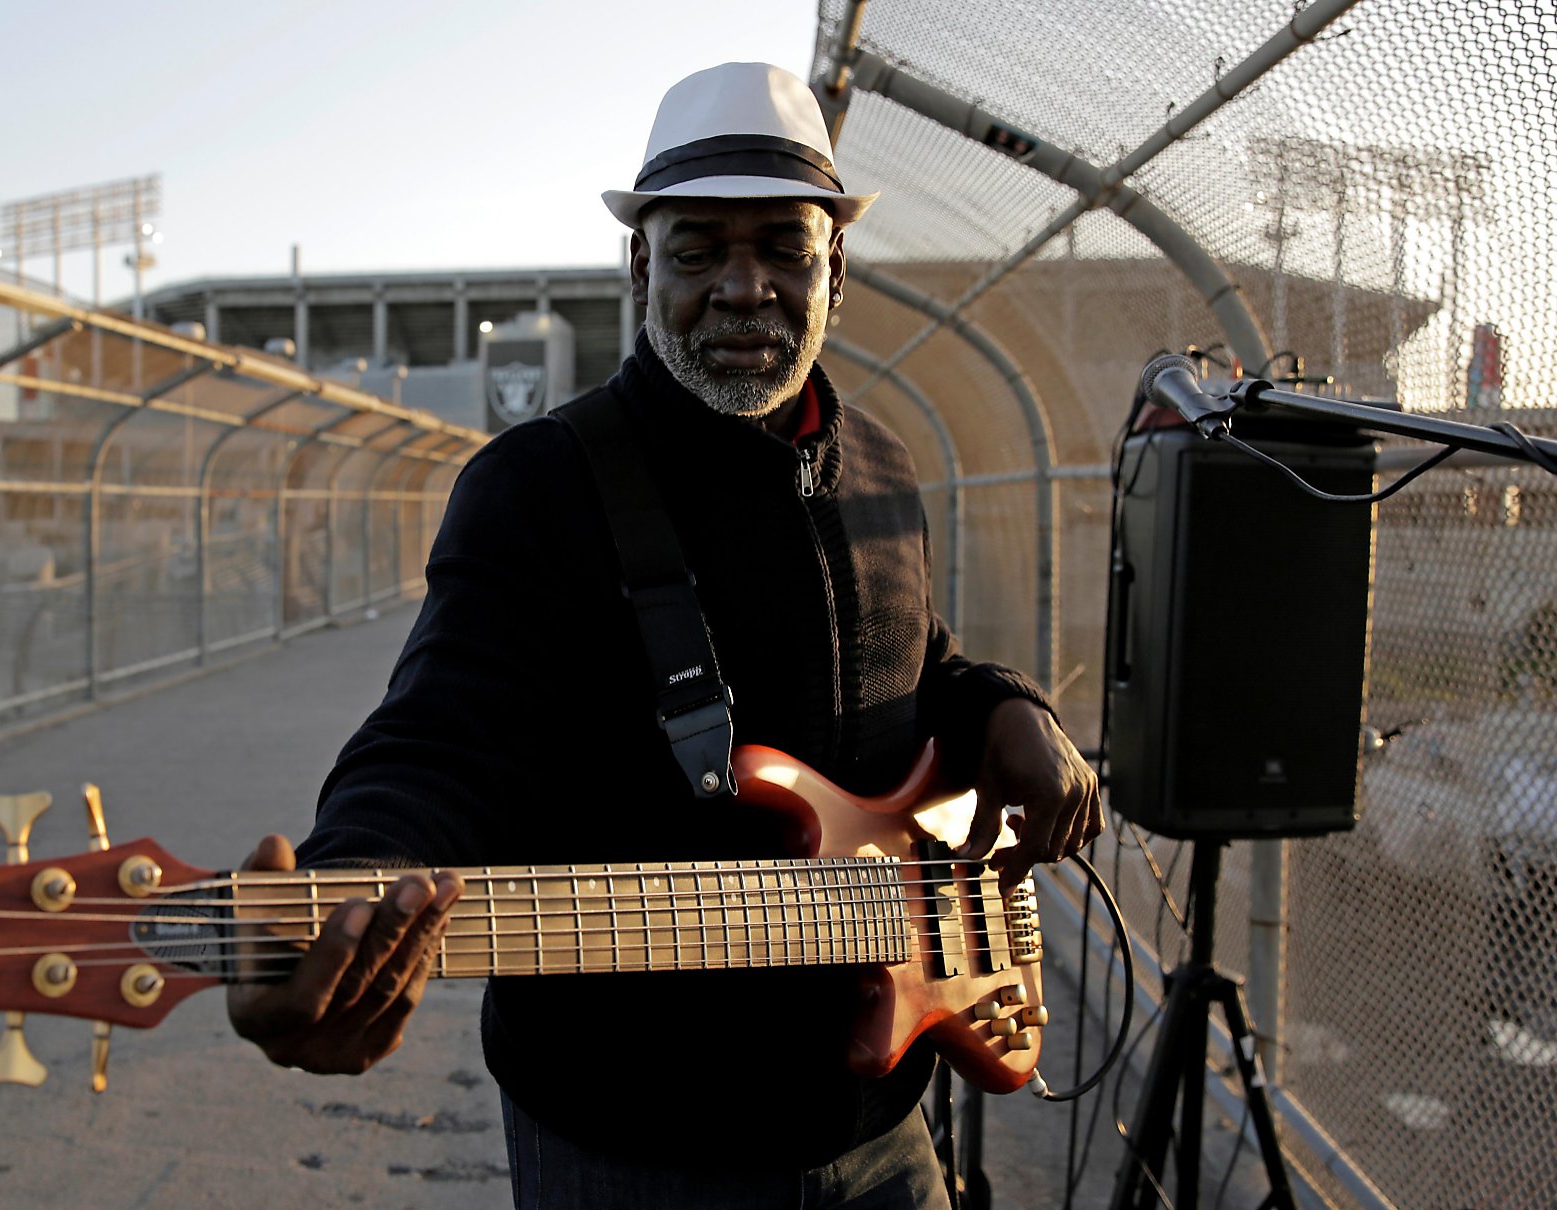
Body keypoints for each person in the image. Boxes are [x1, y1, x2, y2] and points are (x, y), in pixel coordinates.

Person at [227, 63, 1101, 1207]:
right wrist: (345, 893)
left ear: (834, 267)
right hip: (631, 1145)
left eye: (783, 249)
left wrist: (1004, 706)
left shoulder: (881, 462)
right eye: (697, 252)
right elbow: (442, 736)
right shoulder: (538, 486)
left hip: (884, 1125)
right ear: (640, 266)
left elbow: (913, 658)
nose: (743, 289)